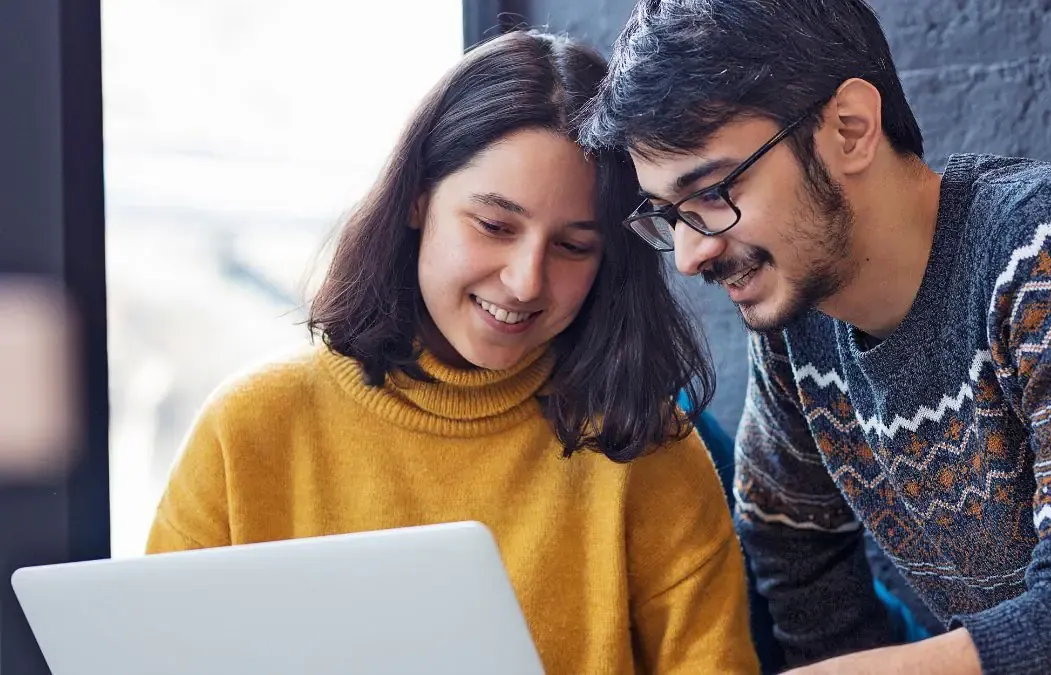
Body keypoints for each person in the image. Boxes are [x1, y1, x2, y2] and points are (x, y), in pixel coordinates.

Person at [581, 1, 1051, 673]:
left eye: (711, 192)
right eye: (669, 215)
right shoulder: (799, 320)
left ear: (850, 128)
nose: (689, 255)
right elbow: (791, 540)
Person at [146, 29, 760, 674]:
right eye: (494, 226)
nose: (525, 282)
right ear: (419, 198)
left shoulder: (645, 449)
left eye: (573, 247)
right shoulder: (248, 430)